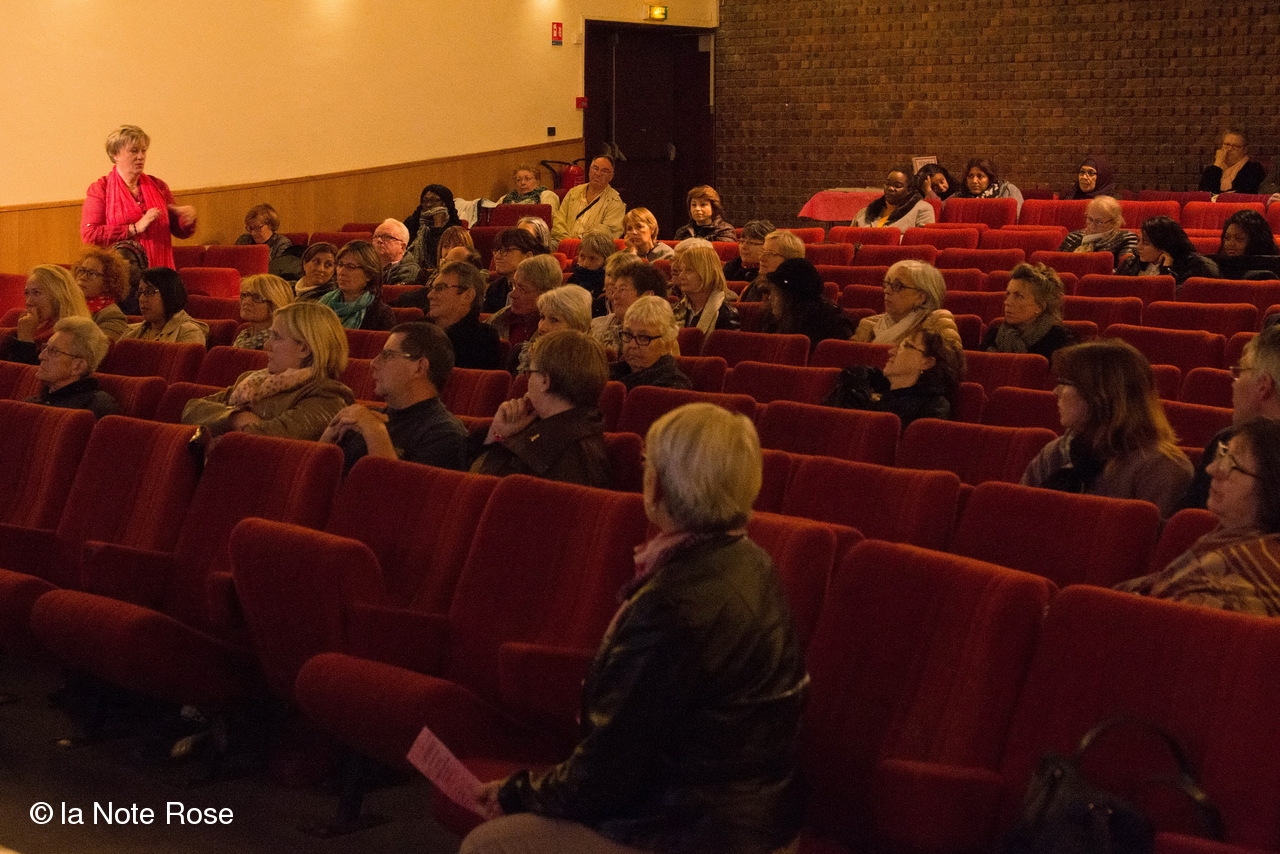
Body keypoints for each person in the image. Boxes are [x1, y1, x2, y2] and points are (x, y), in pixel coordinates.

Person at [464, 402, 806, 854]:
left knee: (491, 845)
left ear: (659, 484)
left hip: (695, 834)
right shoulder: (752, 561)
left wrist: (517, 794)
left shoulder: (673, 603)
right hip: (751, 821)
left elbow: (610, 769)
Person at [1115, 419, 1280, 616]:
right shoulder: (1229, 540)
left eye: (1231, 464)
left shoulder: (1249, 577)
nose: (1212, 469)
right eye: (1223, 453)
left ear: (1272, 489)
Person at [1021, 339, 1194, 518]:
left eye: (1066, 383)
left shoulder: (1160, 469)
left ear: (1101, 394)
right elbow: (1018, 518)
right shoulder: (1056, 452)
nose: (1056, 391)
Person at [183, 302, 354, 443]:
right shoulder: (253, 381)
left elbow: (268, 439)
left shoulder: (328, 395)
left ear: (304, 349)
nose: (266, 345)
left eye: (276, 337)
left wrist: (224, 421)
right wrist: (237, 417)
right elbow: (192, 409)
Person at [469, 330, 611, 488]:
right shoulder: (567, 428)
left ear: (545, 381)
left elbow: (484, 488)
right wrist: (499, 433)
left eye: (530, 372)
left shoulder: (566, 453)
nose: (528, 380)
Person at [321, 322, 467, 473]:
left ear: (420, 367)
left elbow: (396, 487)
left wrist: (375, 433)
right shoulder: (365, 419)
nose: (373, 363)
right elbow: (321, 479)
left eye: (387, 355)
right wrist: (328, 437)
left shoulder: (444, 434)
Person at [1180, 325, 1280, 510]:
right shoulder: (1226, 439)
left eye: (1240, 372)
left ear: (1263, 386)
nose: (1233, 382)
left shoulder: (1229, 441)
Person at [80, 125, 197, 270]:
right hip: (121, 272)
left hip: (159, 270)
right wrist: (134, 228)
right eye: (134, 151)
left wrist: (185, 220)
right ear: (115, 154)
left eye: (143, 151)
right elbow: (90, 234)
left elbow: (178, 231)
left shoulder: (158, 185)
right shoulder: (101, 188)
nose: (141, 156)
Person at [824, 328, 963, 430]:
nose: (891, 351)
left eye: (906, 346)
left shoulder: (933, 407)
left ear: (927, 363)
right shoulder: (867, 385)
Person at [852, 260, 962, 349]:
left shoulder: (937, 326)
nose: (887, 291)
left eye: (897, 286)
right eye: (887, 284)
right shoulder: (868, 325)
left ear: (920, 297)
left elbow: (950, 365)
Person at [25, 316, 118, 419]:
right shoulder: (36, 401)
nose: (41, 356)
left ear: (78, 366)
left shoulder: (95, 406)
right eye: (45, 347)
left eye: (53, 351)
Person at [979, 262, 1075, 359]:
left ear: (1040, 306)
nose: (1007, 302)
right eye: (1008, 294)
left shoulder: (1058, 340)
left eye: (1018, 296)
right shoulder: (994, 334)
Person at [423, 260, 503, 370]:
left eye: (440, 288)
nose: (430, 295)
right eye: (432, 288)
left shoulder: (482, 339)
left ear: (467, 296)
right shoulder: (420, 330)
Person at [758, 258, 853, 349]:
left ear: (791, 298)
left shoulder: (831, 327)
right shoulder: (774, 320)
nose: (770, 298)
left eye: (776, 294)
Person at [609, 296, 690, 390]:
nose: (632, 344)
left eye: (643, 338)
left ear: (666, 345)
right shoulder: (607, 374)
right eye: (628, 334)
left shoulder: (673, 387)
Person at [1117, 216, 1220, 289]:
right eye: (1138, 241)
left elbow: (1174, 299)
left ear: (1164, 245)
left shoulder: (1197, 268)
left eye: (1146, 243)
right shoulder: (1131, 263)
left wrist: (1166, 271)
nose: (1138, 247)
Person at [511, 285, 594, 373]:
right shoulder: (520, 354)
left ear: (578, 328)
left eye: (554, 320)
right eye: (542, 317)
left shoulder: (591, 367)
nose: (542, 327)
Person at [489, 255, 564, 348]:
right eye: (513, 286)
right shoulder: (501, 317)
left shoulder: (554, 329)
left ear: (545, 294)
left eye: (522, 289)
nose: (512, 294)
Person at [318, 241, 396, 330]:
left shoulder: (381, 315)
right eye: (340, 265)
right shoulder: (324, 303)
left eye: (351, 266)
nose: (341, 272)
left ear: (369, 274)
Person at [550, 156, 625, 249]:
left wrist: (580, 245)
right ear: (589, 170)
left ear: (611, 177)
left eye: (604, 171)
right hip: (564, 243)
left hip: (592, 249)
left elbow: (607, 235)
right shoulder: (574, 192)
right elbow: (559, 220)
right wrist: (568, 242)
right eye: (595, 168)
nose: (598, 173)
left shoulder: (615, 203)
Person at [120, 267, 208, 345]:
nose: (141, 299)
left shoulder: (189, 332)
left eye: (149, 292)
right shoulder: (131, 332)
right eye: (140, 292)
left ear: (168, 294)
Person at [591, 254, 654, 353]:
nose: (611, 281)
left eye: (622, 289)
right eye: (609, 275)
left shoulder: (654, 330)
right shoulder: (596, 324)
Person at [671, 244, 740, 334]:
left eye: (689, 270)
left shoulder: (726, 315)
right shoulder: (676, 309)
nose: (681, 276)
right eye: (681, 270)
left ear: (707, 274)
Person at [1056, 195, 1137, 269]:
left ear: (1114, 222)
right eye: (1090, 219)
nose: (1092, 225)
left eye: (1099, 222)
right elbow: (1056, 266)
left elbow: (1126, 269)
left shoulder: (1126, 238)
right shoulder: (1072, 237)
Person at [72, 248, 131, 341]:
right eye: (81, 270)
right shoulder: (70, 303)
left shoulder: (112, 316)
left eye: (92, 274)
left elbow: (98, 347)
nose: (83, 277)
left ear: (108, 282)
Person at [484, 228, 547, 313]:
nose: (497, 256)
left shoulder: (539, 289)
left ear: (528, 256)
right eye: (496, 251)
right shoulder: (495, 289)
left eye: (505, 250)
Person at [852, 167, 935, 231]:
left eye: (897, 186)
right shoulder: (865, 212)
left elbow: (921, 241)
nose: (890, 188)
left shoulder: (922, 209)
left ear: (909, 190)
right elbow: (850, 239)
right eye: (888, 184)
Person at [405, 184, 463, 267]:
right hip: (412, 267)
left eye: (433, 200)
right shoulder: (413, 221)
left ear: (444, 203)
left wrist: (438, 226)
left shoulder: (453, 226)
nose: (428, 205)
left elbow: (437, 256)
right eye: (425, 201)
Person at [233, 274, 296, 350]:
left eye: (257, 297)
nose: (246, 301)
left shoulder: (280, 345)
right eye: (244, 295)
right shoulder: (243, 334)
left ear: (275, 304)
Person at [1198, 129, 1266, 195]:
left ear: (1244, 150)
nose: (1230, 149)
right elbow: (1204, 193)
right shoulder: (1212, 170)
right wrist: (1218, 163)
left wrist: (1219, 195)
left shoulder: (1253, 169)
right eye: (1227, 144)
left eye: (1236, 146)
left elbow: (1244, 193)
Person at [742, 230, 804, 301]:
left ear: (788, 261)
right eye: (763, 251)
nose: (761, 258)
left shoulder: (793, 295)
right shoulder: (756, 285)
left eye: (770, 253)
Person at [951, 157, 1024, 213]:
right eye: (970, 176)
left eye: (980, 176)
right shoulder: (959, 196)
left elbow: (1018, 219)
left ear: (989, 179)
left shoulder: (1008, 191)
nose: (974, 181)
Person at [672, 185, 737, 242]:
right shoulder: (683, 232)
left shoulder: (725, 230)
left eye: (703, 205)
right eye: (694, 205)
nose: (697, 209)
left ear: (713, 207)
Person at [567, 231, 615, 301]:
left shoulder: (608, 284)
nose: (585, 264)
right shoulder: (573, 279)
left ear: (606, 261)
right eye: (582, 256)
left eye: (592, 258)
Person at [372, 219, 421, 285]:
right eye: (376, 236)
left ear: (402, 247)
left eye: (387, 237)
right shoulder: (367, 265)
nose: (379, 240)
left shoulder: (408, 271)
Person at [723, 219, 774, 284]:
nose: (743, 247)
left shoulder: (772, 274)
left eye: (751, 243)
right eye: (742, 241)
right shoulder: (731, 267)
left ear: (767, 246)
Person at [110, 240, 148, 315]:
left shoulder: (148, 293)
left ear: (142, 264)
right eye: (120, 262)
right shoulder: (106, 293)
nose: (127, 266)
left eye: (131, 262)